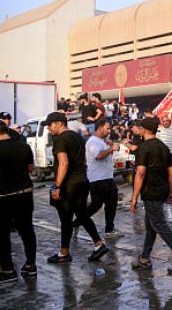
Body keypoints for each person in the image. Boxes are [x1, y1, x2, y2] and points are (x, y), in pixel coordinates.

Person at [44, 112, 109, 264]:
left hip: (69, 184)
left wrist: (57, 186)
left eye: (50, 124)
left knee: (66, 218)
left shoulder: (60, 139)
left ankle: (64, 253)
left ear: (59, 123)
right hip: (82, 181)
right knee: (82, 214)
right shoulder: (77, 136)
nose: (48, 128)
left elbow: (64, 163)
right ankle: (98, 244)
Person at [130, 117, 172, 273]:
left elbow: (141, 173)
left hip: (151, 191)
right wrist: (169, 191)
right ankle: (144, 257)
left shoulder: (144, 148)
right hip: (162, 189)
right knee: (151, 224)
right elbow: (170, 171)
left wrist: (134, 197)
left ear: (144, 129)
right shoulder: (163, 147)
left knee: (159, 224)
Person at [0, 120, 38, 283]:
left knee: (2, 234)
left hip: (2, 197)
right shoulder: (23, 146)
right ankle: (30, 266)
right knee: (27, 230)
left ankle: (8, 270)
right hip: (24, 193)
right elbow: (31, 169)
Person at [73, 119, 122, 238]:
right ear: (100, 128)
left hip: (107, 178)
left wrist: (109, 146)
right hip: (98, 180)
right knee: (96, 206)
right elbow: (99, 155)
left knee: (111, 204)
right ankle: (76, 222)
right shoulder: (93, 141)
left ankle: (109, 229)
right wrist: (111, 149)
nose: (109, 130)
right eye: (107, 128)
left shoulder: (101, 141)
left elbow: (104, 153)